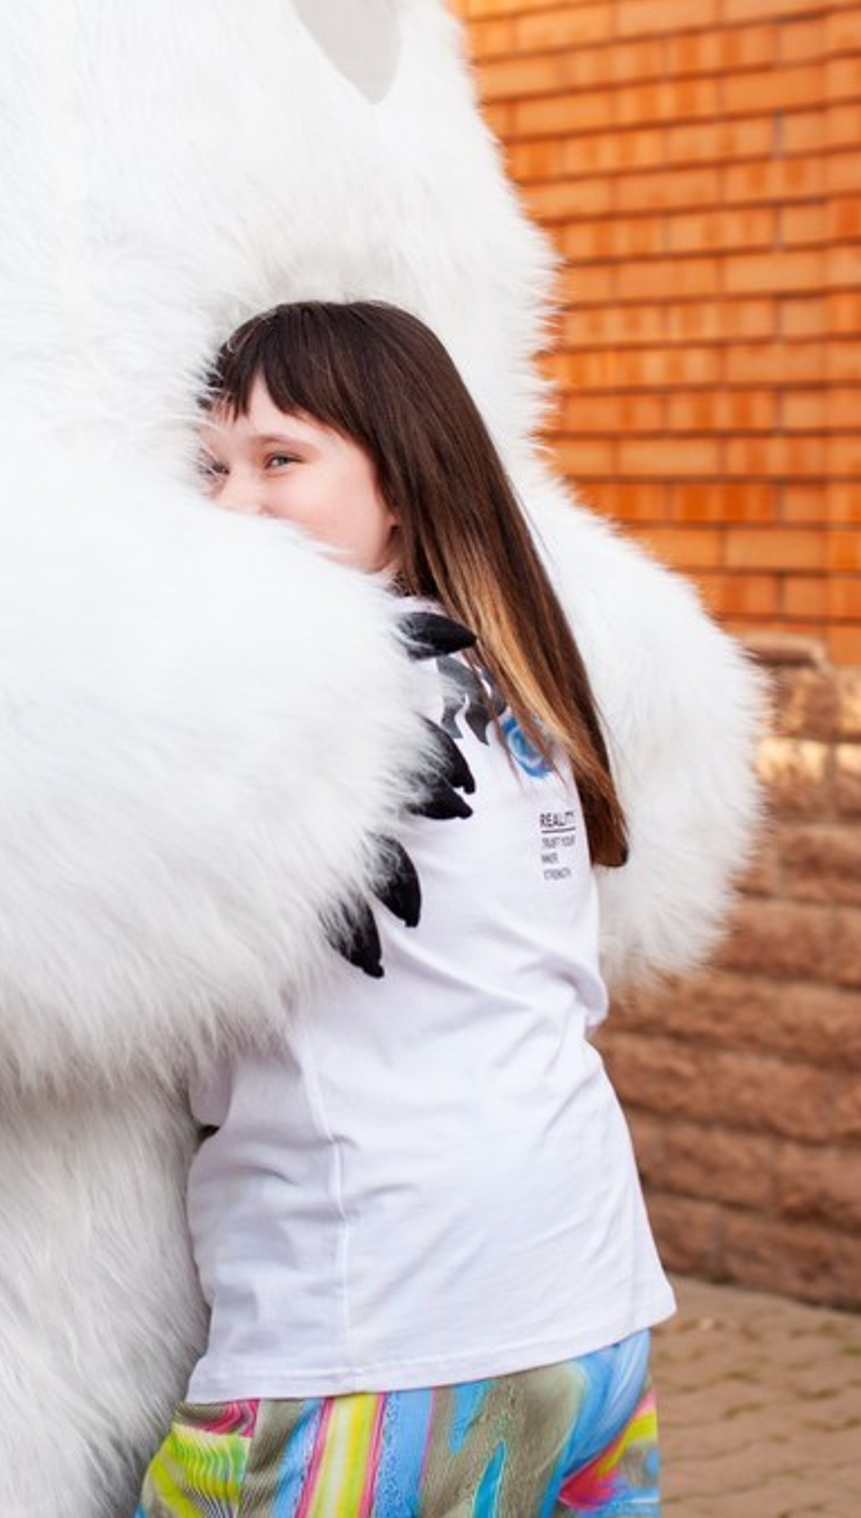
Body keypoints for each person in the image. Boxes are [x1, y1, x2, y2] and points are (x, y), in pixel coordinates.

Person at [133, 301, 672, 1517]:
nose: (229, 504)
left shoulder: (319, 691)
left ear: (399, 481)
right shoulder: (514, 678)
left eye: (279, 459)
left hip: (379, 1318)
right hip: (581, 1301)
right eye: (210, 468)